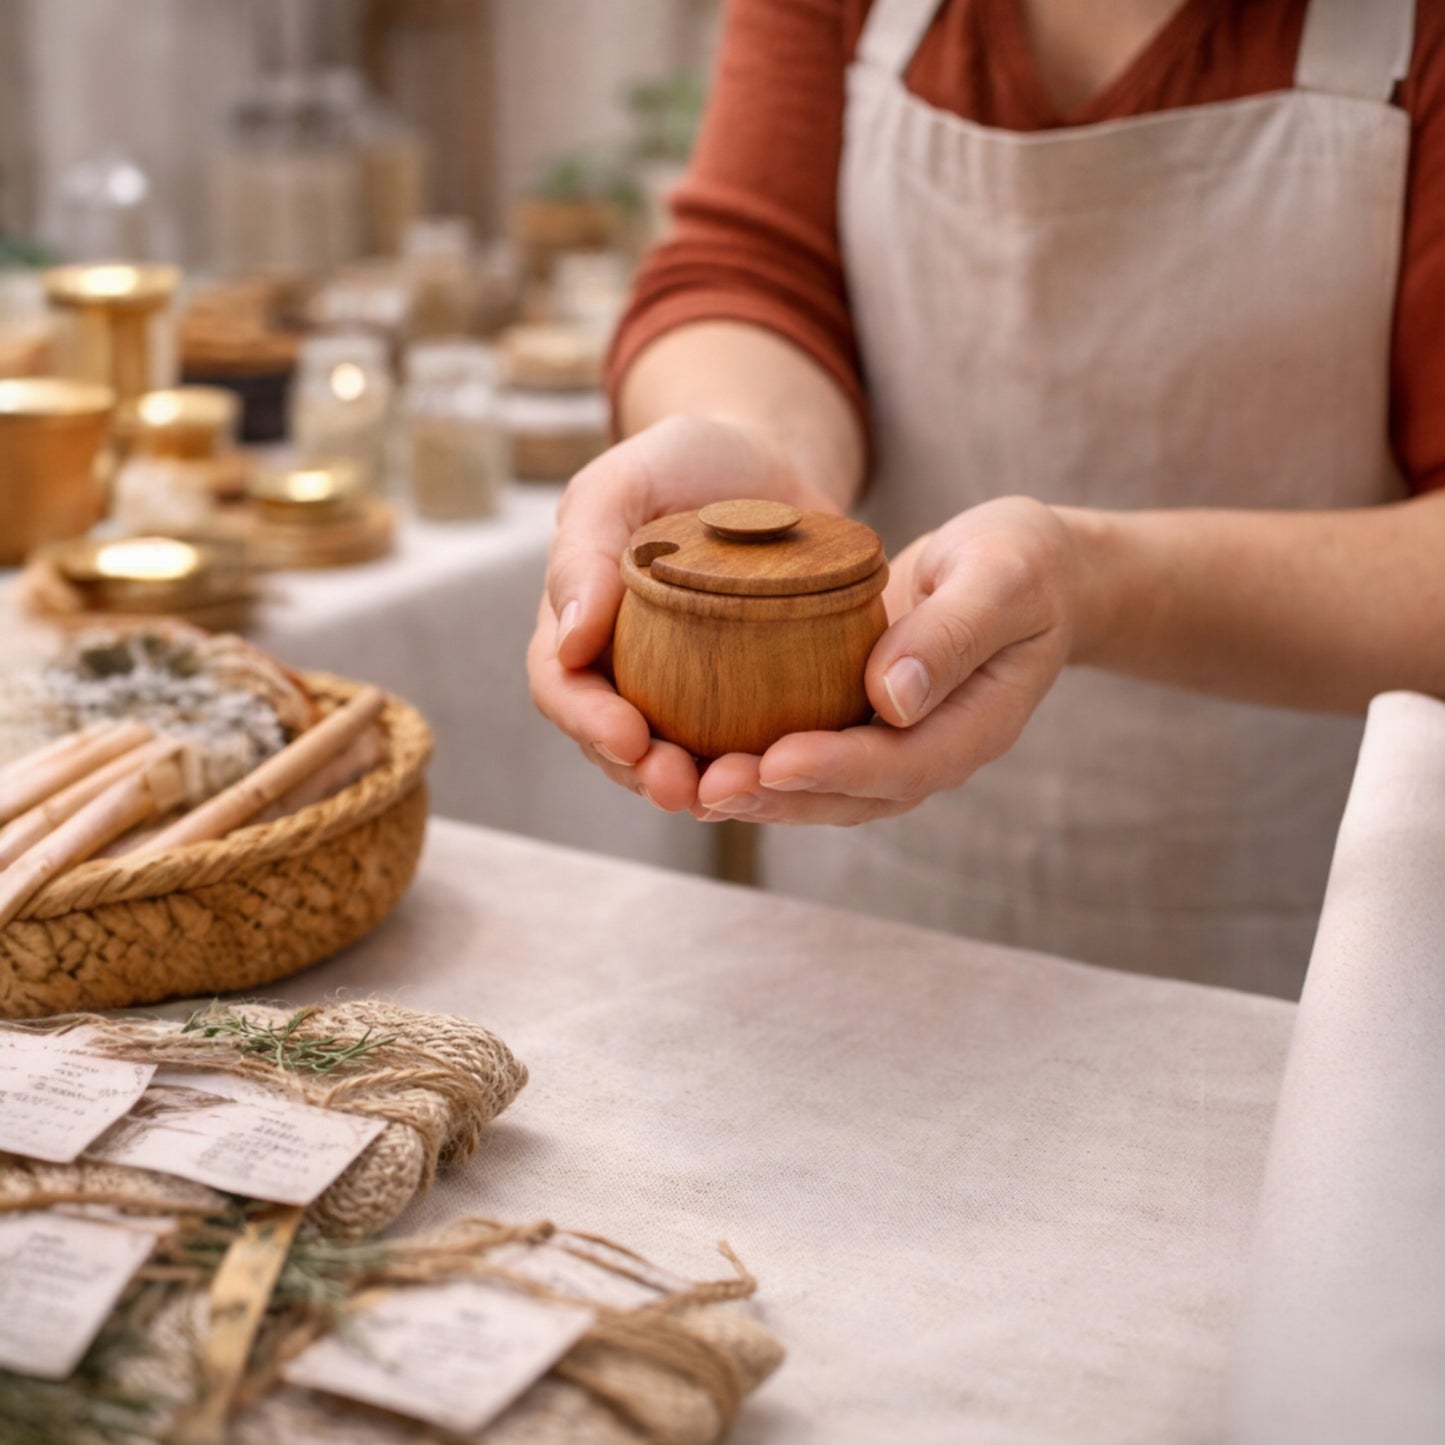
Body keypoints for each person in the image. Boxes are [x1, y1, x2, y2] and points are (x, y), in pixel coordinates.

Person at [529, 0, 1445, 997]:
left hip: (1299, 932)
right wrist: (755, 443)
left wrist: (1094, 584)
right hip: (873, 891)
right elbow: (753, 268)